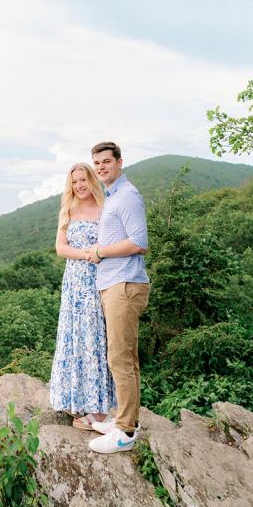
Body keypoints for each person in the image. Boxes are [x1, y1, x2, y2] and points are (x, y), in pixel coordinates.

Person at [86, 141, 150, 454]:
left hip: (125, 284)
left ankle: (125, 432)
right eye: (96, 163)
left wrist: (100, 251)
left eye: (106, 162)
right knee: (127, 356)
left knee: (119, 357)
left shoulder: (127, 196)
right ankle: (128, 420)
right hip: (115, 283)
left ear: (120, 162)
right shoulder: (112, 196)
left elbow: (139, 242)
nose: (101, 168)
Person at [49, 163, 116, 428]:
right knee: (73, 337)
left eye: (83, 179)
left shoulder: (105, 209)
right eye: (75, 181)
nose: (79, 185)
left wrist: (95, 255)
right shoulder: (68, 210)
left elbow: (110, 244)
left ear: (92, 181)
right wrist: (87, 254)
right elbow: (60, 248)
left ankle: (98, 411)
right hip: (73, 283)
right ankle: (77, 403)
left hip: (97, 280)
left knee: (94, 340)